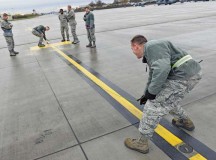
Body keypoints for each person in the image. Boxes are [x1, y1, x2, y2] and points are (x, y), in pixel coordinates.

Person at [124, 35, 202, 154]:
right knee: (168, 101)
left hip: (181, 77)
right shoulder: (154, 51)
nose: (132, 51)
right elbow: (153, 75)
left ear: (136, 46)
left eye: (132, 48)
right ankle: (185, 121)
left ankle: (141, 143)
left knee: (153, 106)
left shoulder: (151, 47)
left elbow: (162, 69)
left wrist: (152, 94)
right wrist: (146, 93)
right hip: (191, 75)